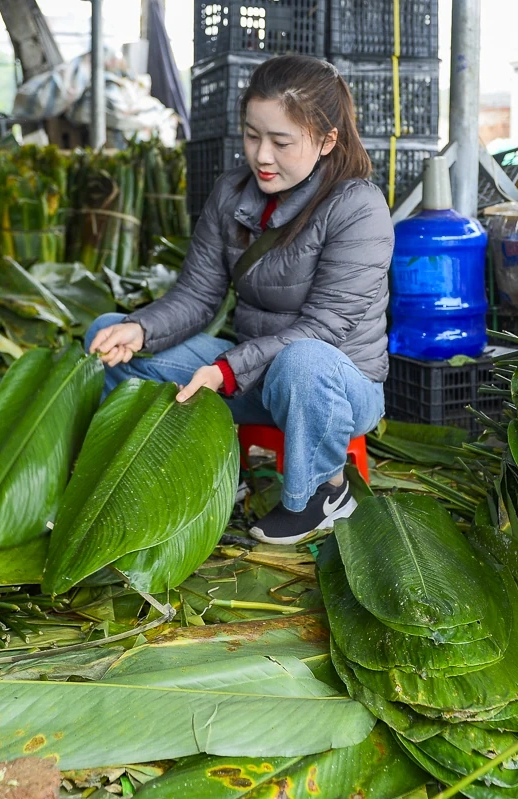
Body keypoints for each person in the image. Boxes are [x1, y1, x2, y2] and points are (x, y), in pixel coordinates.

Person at [84, 54, 393, 546]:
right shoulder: (232, 194)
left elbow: (325, 327)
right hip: (252, 377)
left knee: (304, 361)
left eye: (281, 141)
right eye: (253, 136)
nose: (262, 156)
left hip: (334, 390)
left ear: (327, 140)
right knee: (109, 333)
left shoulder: (358, 207)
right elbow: (197, 295)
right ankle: (144, 475)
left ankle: (322, 495)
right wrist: (141, 329)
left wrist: (226, 371)